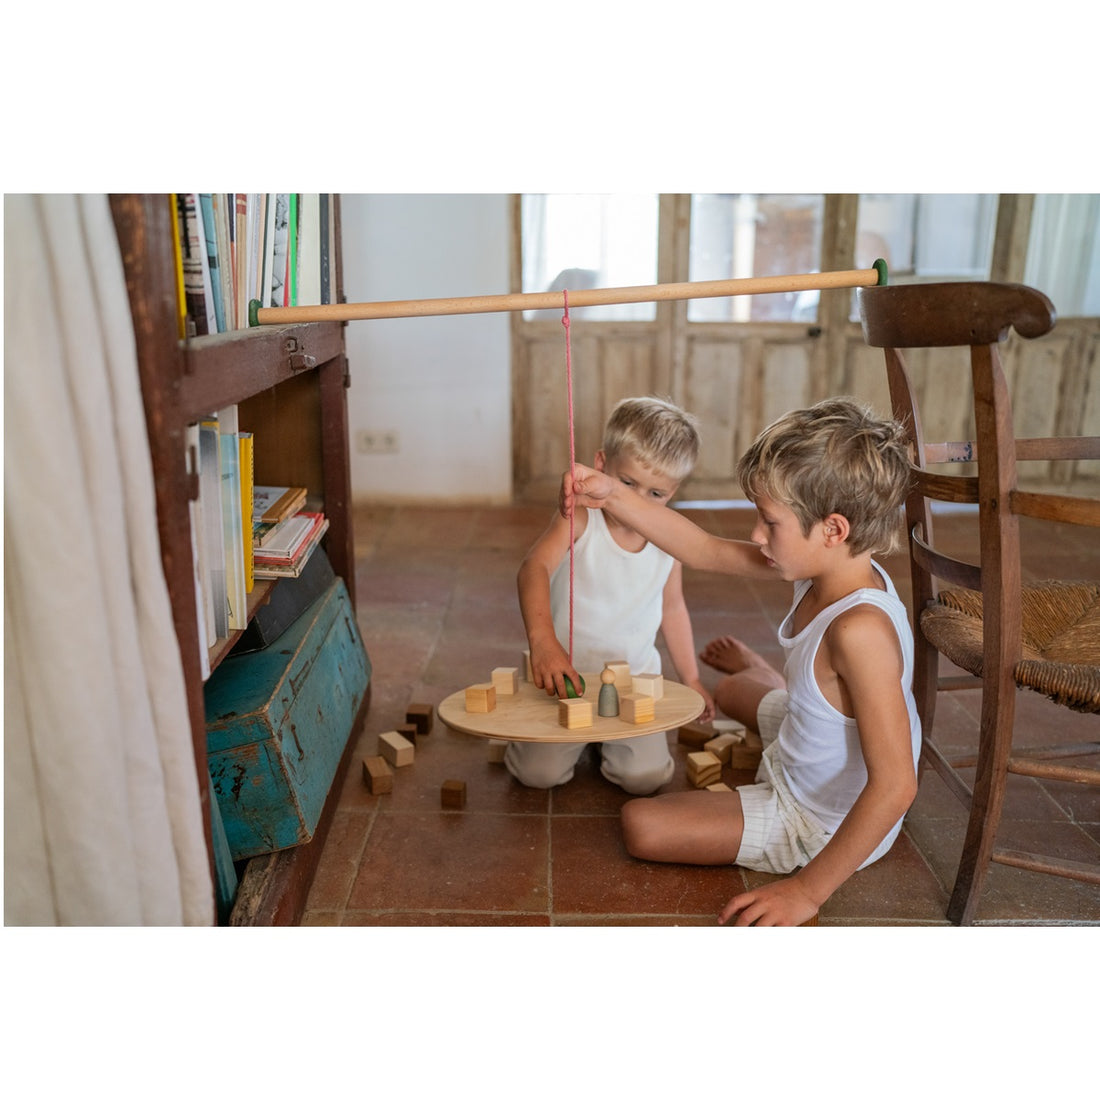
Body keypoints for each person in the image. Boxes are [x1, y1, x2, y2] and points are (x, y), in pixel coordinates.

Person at [561, 397, 921, 926]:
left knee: (642, 824)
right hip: (809, 743)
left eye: (769, 521)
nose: (756, 534)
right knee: (728, 693)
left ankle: (781, 693)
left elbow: (896, 785)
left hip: (818, 819)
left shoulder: (860, 631)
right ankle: (781, 686)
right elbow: (703, 549)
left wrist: (806, 892)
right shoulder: (825, 565)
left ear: (833, 529)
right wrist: (610, 492)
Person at [506, 396, 716, 795]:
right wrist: (544, 644)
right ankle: (534, 736)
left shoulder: (671, 538)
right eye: (627, 483)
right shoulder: (581, 518)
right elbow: (532, 568)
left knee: (646, 779)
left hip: (633, 682)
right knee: (538, 776)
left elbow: (673, 608)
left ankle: (603, 740)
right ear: (600, 466)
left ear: (674, 492)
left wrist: (691, 678)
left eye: (656, 494)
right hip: (564, 678)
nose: (637, 501)